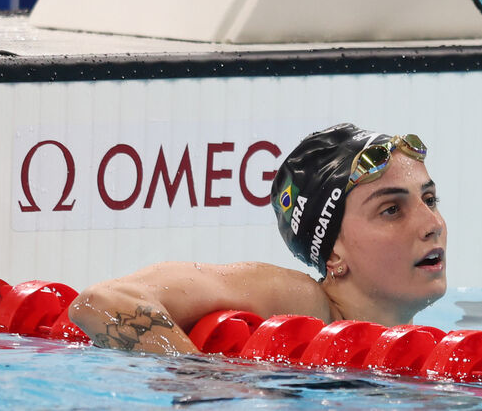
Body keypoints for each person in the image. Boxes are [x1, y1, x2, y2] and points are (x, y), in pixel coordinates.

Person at [67, 123, 447, 353]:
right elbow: (103, 301)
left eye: (430, 199)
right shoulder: (303, 305)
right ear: (333, 254)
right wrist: (194, 373)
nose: (431, 223)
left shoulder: (419, 347)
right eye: (391, 210)